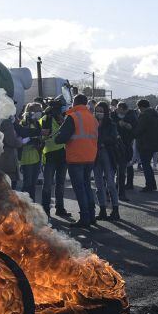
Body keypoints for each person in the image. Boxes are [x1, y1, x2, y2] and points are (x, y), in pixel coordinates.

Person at [56, 94, 99, 228]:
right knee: (87, 186)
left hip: (76, 157)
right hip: (90, 156)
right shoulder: (92, 117)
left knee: (80, 188)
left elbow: (61, 138)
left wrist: (58, 135)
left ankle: (85, 218)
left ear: (75, 102)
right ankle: (91, 216)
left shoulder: (73, 117)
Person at [40, 100, 73, 220]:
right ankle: (45, 210)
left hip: (62, 154)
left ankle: (60, 208)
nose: (60, 111)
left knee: (60, 184)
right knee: (48, 184)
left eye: (60, 109)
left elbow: (67, 133)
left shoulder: (64, 119)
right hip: (50, 154)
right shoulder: (45, 118)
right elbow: (44, 134)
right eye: (58, 109)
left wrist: (62, 122)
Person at [92, 102, 122, 221]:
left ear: (105, 111)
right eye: (97, 111)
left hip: (108, 154)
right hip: (95, 155)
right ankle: (102, 209)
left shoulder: (111, 124)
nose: (99, 113)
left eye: (101, 110)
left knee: (110, 183)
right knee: (98, 184)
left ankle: (115, 210)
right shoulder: (92, 123)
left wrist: (101, 141)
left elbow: (113, 138)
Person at [133, 99, 158, 192]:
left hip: (145, 143)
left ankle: (149, 184)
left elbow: (139, 130)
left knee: (146, 165)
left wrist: (132, 133)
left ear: (141, 107)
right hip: (153, 143)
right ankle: (152, 184)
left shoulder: (145, 115)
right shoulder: (155, 114)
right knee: (147, 165)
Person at [17, 102, 44, 201]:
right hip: (26, 158)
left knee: (33, 185)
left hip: (36, 157)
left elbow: (39, 136)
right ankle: (24, 206)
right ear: (32, 111)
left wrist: (41, 141)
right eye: (39, 111)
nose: (41, 113)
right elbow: (22, 139)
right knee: (27, 184)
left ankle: (32, 206)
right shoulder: (24, 122)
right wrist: (33, 139)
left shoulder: (36, 122)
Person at [112, 101, 137, 199]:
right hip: (113, 146)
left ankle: (121, 192)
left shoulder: (131, 116)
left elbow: (135, 130)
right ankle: (111, 190)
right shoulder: (112, 116)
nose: (119, 111)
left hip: (125, 147)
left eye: (121, 110)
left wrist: (128, 126)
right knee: (111, 171)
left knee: (122, 171)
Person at [0, 115, 23, 189]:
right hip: (7, 159)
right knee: (9, 188)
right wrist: (20, 141)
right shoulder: (6, 122)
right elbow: (11, 141)